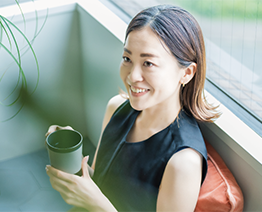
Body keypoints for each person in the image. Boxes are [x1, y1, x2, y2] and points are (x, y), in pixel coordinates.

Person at [45, 4, 219, 212]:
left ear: (187, 73)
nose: (132, 76)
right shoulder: (116, 108)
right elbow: (104, 184)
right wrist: (72, 162)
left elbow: (99, 201)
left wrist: (94, 203)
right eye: (127, 59)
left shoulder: (183, 161)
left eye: (148, 63)